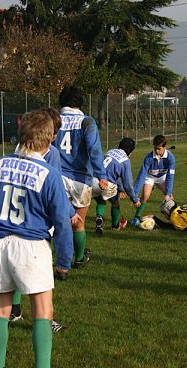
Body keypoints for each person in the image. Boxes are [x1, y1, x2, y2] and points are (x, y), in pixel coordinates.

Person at [0, 110, 79, 368]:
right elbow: (61, 223)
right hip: (30, 246)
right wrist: (64, 261)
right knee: (43, 309)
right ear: (49, 140)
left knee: (0, 307)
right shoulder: (48, 173)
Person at [52, 86, 109, 279]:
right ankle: (78, 258)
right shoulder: (87, 122)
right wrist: (101, 175)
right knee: (79, 222)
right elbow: (94, 150)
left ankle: (59, 262)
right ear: (80, 102)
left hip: (56, 177)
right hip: (80, 179)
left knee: (57, 222)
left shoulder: (54, 121)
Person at [93, 137, 141, 234]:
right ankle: (115, 226)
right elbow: (128, 184)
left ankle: (99, 217)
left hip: (93, 180)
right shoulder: (125, 161)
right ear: (130, 151)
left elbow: (116, 176)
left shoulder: (110, 151)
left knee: (101, 201)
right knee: (115, 203)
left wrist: (120, 189)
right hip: (106, 183)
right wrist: (134, 199)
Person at [131, 134, 176, 225]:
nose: (156, 150)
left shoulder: (171, 158)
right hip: (150, 177)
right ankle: (136, 218)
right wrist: (134, 195)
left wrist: (168, 193)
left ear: (164, 147)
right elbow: (142, 175)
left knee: (170, 198)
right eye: (155, 148)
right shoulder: (148, 158)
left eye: (159, 148)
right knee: (146, 196)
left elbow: (170, 176)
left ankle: (175, 218)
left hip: (162, 177)